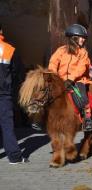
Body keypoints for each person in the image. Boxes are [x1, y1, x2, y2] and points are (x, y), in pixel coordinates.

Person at [48, 24, 92, 131]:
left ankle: (87, 119)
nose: (83, 40)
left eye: (84, 38)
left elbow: (82, 67)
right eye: (81, 37)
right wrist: (54, 76)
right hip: (60, 79)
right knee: (45, 93)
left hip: (76, 80)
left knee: (82, 98)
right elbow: (53, 63)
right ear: (74, 37)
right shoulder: (61, 50)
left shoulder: (83, 52)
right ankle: (40, 118)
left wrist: (71, 79)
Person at [0, 23, 28, 164]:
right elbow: (19, 73)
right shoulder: (9, 50)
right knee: (7, 126)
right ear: (1, 31)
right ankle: (15, 157)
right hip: (4, 94)